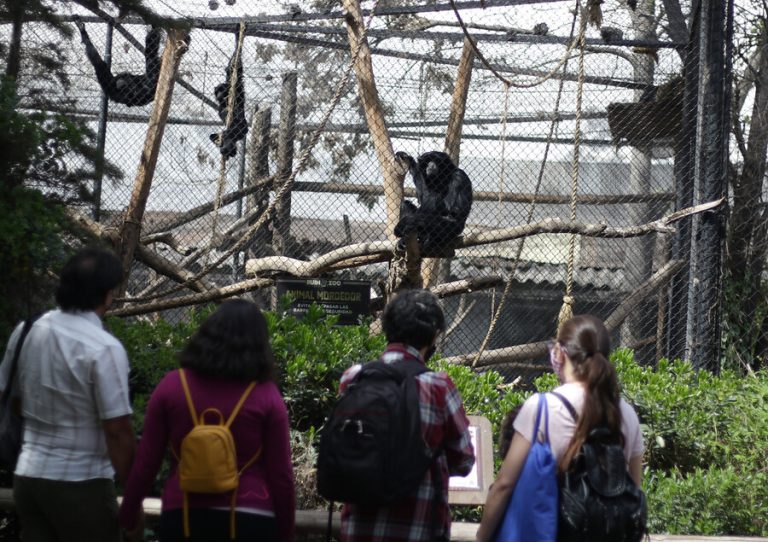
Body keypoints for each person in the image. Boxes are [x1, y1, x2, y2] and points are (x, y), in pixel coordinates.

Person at [119, 299, 295, 542]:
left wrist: (128, 516)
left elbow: (147, 462)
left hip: (184, 515)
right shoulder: (266, 395)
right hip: (250, 517)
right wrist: (285, 533)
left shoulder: (172, 386)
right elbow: (281, 475)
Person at [0, 247, 137, 542]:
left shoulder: (27, 330)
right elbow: (118, 432)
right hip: (80, 481)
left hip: (28, 477)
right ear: (107, 294)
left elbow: (11, 398)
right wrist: (134, 497)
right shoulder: (104, 348)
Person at [475, 314, 645, 542]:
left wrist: (482, 536)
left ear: (560, 352)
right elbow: (634, 486)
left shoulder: (541, 408)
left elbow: (505, 485)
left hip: (552, 530)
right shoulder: (627, 413)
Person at [339, 289, 475, 542]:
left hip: (359, 528)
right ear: (433, 336)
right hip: (418, 526)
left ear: (387, 328)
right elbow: (464, 461)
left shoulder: (353, 378)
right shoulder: (438, 386)